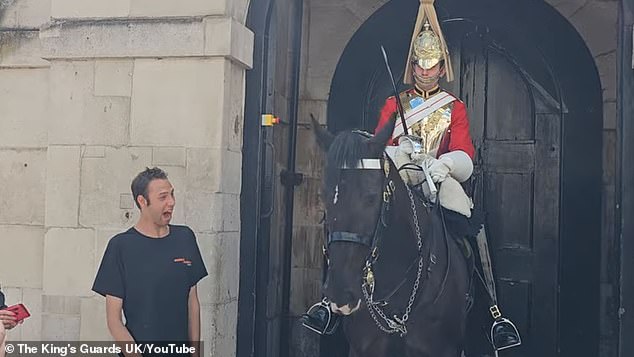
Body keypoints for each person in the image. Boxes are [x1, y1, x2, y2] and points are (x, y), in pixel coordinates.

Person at [92, 167, 208, 356]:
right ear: (142, 201)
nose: (171, 202)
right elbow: (114, 320)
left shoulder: (185, 238)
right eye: (163, 197)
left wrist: (195, 354)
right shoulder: (120, 247)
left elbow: (192, 302)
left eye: (172, 194)